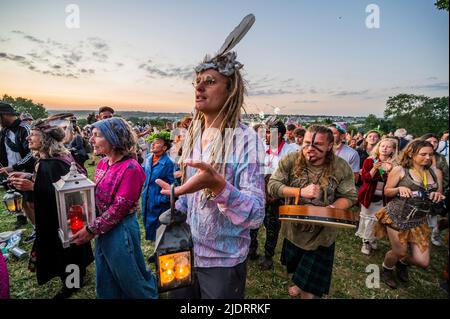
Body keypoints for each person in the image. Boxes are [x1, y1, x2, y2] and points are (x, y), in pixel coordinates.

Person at [155, 14, 264, 299]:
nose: (199, 88)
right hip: (183, 249)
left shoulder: (244, 139)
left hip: (222, 263)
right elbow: (193, 197)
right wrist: (179, 193)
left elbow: (256, 215)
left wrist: (218, 186)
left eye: (210, 81)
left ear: (230, 90)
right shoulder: (192, 134)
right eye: (197, 82)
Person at [71, 117, 158, 299]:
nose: (91, 140)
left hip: (121, 229)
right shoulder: (103, 163)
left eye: (97, 135)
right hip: (102, 228)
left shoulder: (131, 168)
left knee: (130, 277)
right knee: (105, 275)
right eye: (91, 135)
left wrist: (91, 229)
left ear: (113, 138)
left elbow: (119, 208)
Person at [268, 125, 357, 299]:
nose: (310, 149)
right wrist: (300, 192)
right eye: (307, 143)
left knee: (310, 294)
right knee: (295, 269)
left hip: (322, 236)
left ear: (330, 145)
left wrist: (330, 210)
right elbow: (272, 186)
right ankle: (300, 283)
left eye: (317, 144)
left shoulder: (341, 167)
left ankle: (305, 289)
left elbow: (350, 196)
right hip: (293, 230)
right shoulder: (291, 159)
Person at [7, 118, 93, 299]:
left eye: (34, 135)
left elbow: (64, 192)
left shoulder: (53, 163)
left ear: (46, 139)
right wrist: (30, 175)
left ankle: (72, 284)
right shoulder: (53, 159)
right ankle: (77, 277)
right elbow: (52, 181)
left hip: (62, 219)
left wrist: (32, 187)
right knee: (71, 250)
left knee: (67, 252)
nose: (28, 138)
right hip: (67, 219)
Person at [374, 140, 445, 289]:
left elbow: (439, 192)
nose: (428, 158)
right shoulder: (400, 170)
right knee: (399, 251)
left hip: (419, 220)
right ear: (411, 154)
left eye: (430, 155)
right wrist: (399, 189)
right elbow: (387, 190)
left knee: (423, 262)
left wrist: (438, 195)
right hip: (397, 216)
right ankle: (387, 269)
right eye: (423, 154)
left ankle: (402, 263)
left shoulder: (435, 172)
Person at [249, 120, 298, 270]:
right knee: (252, 224)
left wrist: (276, 194)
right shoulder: (262, 147)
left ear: (281, 134)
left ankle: (268, 256)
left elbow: (292, 175)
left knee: (272, 227)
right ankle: (251, 250)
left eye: (270, 132)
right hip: (259, 192)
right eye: (267, 132)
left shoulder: (290, 151)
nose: (267, 135)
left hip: (277, 195)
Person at [356, 138, 398, 255]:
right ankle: (366, 241)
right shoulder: (370, 161)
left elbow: (394, 182)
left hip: (384, 198)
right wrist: (375, 168)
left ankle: (373, 238)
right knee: (368, 219)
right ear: (378, 147)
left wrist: (389, 172)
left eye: (388, 147)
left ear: (393, 150)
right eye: (382, 146)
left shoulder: (394, 165)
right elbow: (365, 179)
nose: (384, 148)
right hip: (369, 195)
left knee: (378, 220)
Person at [0, 102, 36, 236]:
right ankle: (36, 228)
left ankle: (42, 230)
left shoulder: (25, 128)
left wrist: (14, 167)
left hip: (27, 171)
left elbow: (32, 153)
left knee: (31, 203)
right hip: (11, 172)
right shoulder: (4, 131)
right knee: (23, 202)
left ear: (4, 115)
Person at [141, 132, 175, 241]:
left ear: (164, 148)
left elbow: (173, 185)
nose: (153, 144)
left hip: (159, 202)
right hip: (146, 198)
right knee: (149, 224)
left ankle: (160, 251)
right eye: (153, 142)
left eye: (157, 143)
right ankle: (155, 249)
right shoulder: (148, 157)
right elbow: (144, 173)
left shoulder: (169, 163)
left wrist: (161, 199)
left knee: (160, 228)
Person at [420, 133, 449, 246]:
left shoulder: (440, 158)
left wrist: (437, 188)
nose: (433, 143)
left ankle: (429, 236)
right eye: (430, 141)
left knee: (430, 217)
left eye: (435, 142)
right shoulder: (414, 155)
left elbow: (446, 176)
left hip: (435, 193)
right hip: (416, 192)